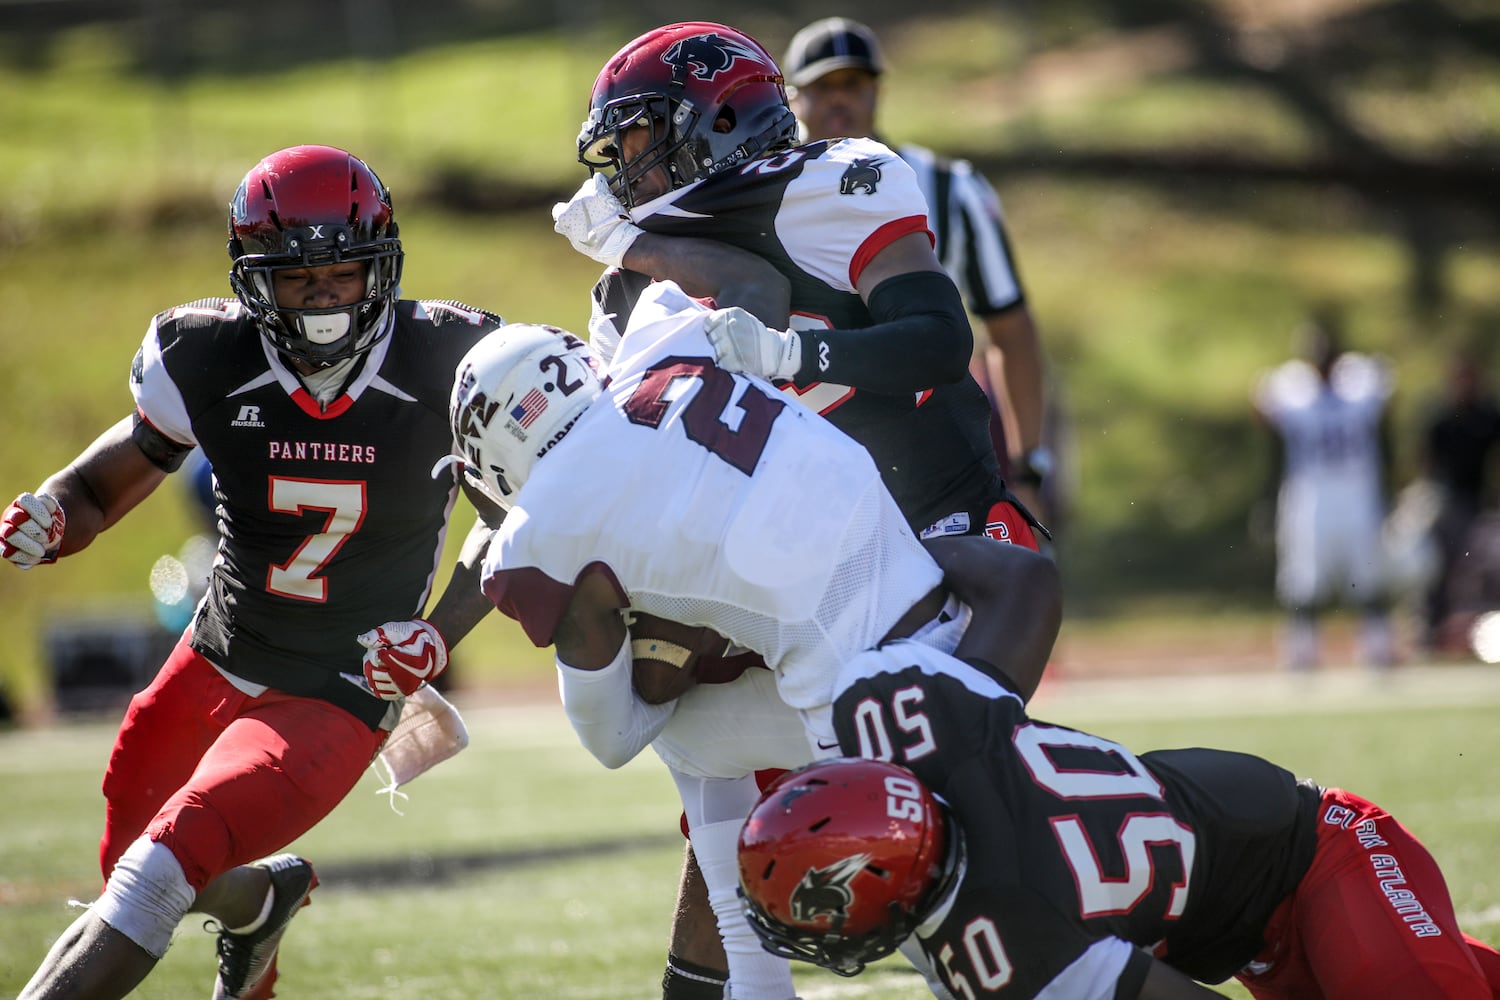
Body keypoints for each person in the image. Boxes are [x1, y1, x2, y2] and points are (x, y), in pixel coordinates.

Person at [550, 20, 1050, 998]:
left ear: (716, 122)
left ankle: (1047, 954)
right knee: (724, 810)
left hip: (939, 535)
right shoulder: (630, 277)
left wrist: (798, 357)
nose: (625, 169)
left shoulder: (841, 181)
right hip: (795, 568)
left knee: (943, 815)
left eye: (642, 141)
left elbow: (939, 340)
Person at [451, 282, 1061, 1000]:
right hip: (956, 620)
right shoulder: (664, 339)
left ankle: (755, 981)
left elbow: (610, 738)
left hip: (869, 713)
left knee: (950, 936)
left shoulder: (540, 530)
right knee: (1004, 884)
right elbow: (690, 293)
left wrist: (651, 638)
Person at [2, 144, 503, 1000]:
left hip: (339, 687)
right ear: (251, 280)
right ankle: (264, 901)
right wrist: (53, 515)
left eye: (341, 271)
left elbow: (522, 517)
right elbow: (98, 482)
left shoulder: (457, 359)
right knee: (138, 856)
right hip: (216, 652)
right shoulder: (203, 353)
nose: (322, 296)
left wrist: (439, 630)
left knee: (159, 868)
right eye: (296, 277)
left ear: (380, 266)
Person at [737, 643, 1500, 999]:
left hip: (1326, 859)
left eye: (820, 908)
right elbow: (1024, 575)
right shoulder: (905, 713)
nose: (813, 929)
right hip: (1254, 938)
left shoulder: (1012, 936)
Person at [780, 15, 1057, 527]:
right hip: (812, 433)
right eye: (823, 86)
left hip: (934, 438)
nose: (840, 99)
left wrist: (1029, 465)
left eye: (854, 84)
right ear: (792, 96)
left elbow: (1010, 328)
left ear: (878, 92)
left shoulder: (950, 188)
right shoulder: (765, 195)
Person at [1251, 307, 1397, 670]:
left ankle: (1377, 648)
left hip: (1356, 492)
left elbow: (1388, 409)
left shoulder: (1360, 383)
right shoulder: (1294, 389)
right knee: (1303, 577)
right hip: (1311, 493)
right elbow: (1263, 416)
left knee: (1367, 574)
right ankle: (1302, 652)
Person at [1419, 342, 1500, 652]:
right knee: (1441, 566)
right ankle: (1432, 630)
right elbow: (1426, 462)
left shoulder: (1487, 414)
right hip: (1449, 500)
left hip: (1480, 501)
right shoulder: (1440, 416)